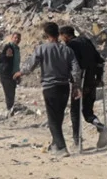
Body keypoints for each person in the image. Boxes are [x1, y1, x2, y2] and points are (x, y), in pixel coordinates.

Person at [16, 22, 82, 157]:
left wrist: (20, 73)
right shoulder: (67, 50)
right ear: (58, 33)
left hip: (50, 87)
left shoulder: (41, 49)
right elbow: (76, 70)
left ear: (46, 34)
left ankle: (62, 148)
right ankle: (54, 144)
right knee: (58, 116)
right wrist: (76, 86)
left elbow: (30, 65)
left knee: (52, 119)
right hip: (64, 87)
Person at [59, 25, 107, 151]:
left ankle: (77, 142)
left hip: (79, 84)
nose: (62, 39)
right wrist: (99, 78)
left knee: (75, 112)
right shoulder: (86, 41)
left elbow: (74, 66)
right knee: (88, 112)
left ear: (65, 36)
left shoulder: (71, 46)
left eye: (62, 37)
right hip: (91, 82)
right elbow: (99, 60)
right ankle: (101, 128)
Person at [0, 31, 22, 114]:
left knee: (12, 93)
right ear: (12, 38)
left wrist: (18, 74)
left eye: (18, 38)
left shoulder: (16, 48)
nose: (17, 39)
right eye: (15, 38)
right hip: (6, 75)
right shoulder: (8, 47)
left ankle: (10, 109)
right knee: (9, 94)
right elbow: (3, 59)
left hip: (14, 74)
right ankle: (9, 111)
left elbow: (16, 63)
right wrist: (6, 56)